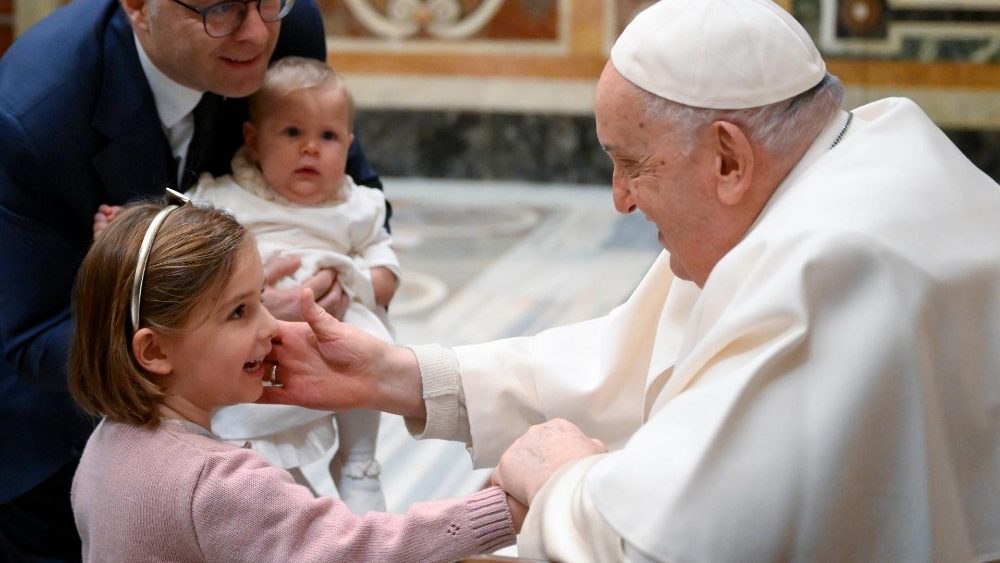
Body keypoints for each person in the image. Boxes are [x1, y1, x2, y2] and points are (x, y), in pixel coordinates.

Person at [259, 0, 1000, 560]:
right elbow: (629, 358)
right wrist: (402, 374)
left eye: (631, 162)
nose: (619, 198)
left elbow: (655, 541)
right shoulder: (837, 163)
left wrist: (558, 476)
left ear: (729, 159)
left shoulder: (830, 261)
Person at [0, 0, 385, 558]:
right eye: (222, 7)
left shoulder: (286, 25)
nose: (255, 32)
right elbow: (27, 333)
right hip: (55, 439)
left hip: (232, 429)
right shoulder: (32, 116)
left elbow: (353, 187)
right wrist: (234, 319)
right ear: (138, 7)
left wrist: (350, 277)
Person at [69, 195, 517, 560]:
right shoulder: (218, 484)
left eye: (261, 298)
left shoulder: (105, 442)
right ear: (155, 351)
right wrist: (501, 510)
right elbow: (359, 552)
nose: (271, 327)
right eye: (239, 312)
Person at [192, 56, 398, 514]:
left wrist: (363, 283)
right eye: (291, 133)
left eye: (327, 137)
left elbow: (385, 266)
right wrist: (128, 219)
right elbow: (179, 234)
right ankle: (283, 481)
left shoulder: (358, 205)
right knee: (257, 418)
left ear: (349, 145)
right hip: (262, 336)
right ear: (253, 139)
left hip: (336, 323)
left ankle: (359, 461)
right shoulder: (226, 197)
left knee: (369, 355)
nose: (310, 149)